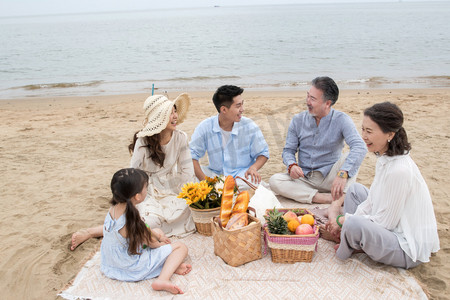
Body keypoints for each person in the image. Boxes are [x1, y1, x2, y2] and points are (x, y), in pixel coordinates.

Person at [71, 93, 195, 251]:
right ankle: (92, 232)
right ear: (160, 117)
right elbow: (134, 174)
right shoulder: (143, 142)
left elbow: (187, 172)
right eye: (170, 113)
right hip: (146, 189)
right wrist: (137, 199)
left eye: (175, 111)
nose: (175, 116)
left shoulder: (181, 137)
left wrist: (187, 195)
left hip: (173, 186)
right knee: (149, 221)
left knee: (191, 211)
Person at [328, 102, 439, 269]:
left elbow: (385, 223)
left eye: (369, 131)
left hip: (405, 248)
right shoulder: (385, 159)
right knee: (354, 190)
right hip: (390, 228)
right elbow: (371, 202)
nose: (363, 136)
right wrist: (346, 222)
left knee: (352, 223)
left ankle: (348, 247)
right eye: (363, 129)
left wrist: (343, 220)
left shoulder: (399, 170)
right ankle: (352, 239)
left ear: (390, 134)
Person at [269, 76, 367, 208]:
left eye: (313, 99)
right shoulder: (297, 120)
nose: (308, 102)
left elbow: (360, 147)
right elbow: (288, 151)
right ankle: (324, 198)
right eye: (308, 96)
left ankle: (336, 192)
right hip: (304, 179)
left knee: (352, 156)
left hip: (332, 177)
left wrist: (343, 173)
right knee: (275, 181)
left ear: (327, 103)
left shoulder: (342, 120)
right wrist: (291, 165)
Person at [100, 168, 191, 294]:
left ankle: (168, 266)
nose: (147, 191)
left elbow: (143, 228)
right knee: (181, 247)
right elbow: (150, 243)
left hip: (111, 262)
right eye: (146, 188)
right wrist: (162, 245)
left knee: (157, 231)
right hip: (130, 266)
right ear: (137, 196)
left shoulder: (114, 209)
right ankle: (163, 279)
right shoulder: (131, 220)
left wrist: (156, 234)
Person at [189, 85, 269, 189]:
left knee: (252, 183)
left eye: (242, 104)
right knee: (186, 176)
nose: (242, 109)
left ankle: (223, 189)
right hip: (214, 175)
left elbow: (263, 153)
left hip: (241, 176)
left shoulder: (249, 126)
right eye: (238, 106)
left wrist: (253, 168)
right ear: (224, 109)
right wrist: (205, 182)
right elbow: (192, 156)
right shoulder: (205, 126)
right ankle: (221, 189)